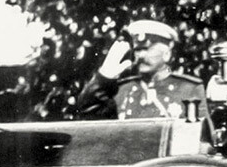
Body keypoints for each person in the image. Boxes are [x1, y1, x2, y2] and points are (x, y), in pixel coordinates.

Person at [77, 19, 206, 120]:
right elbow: (88, 112)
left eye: (148, 49)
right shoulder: (122, 90)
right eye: (138, 49)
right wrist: (103, 77)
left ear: (167, 54)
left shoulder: (189, 89)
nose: (141, 55)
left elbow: (204, 142)